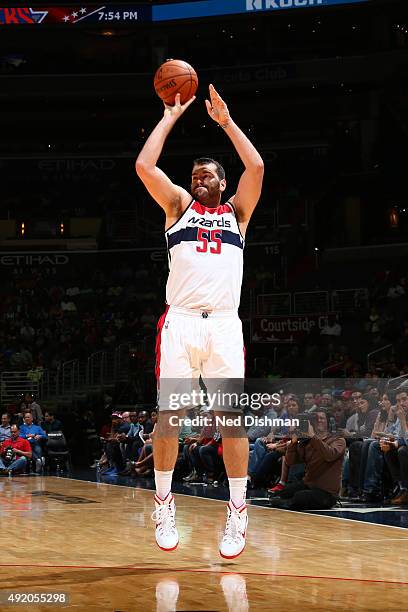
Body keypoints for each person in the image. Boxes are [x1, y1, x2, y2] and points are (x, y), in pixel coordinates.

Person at [136, 84, 264, 557]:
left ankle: (237, 510)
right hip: (183, 323)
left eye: (207, 175)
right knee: (169, 416)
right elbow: (145, 167)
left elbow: (258, 167)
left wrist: (227, 122)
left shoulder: (239, 214)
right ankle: (164, 501)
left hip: (224, 326)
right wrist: (170, 116)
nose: (198, 180)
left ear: (222, 184)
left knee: (232, 419)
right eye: (194, 175)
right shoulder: (177, 208)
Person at [269, 411, 346, 511]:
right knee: (280, 494)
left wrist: (313, 436)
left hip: (327, 492)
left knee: (300, 497)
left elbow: (329, 455)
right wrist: (293, 441)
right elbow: (290, 461)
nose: (318, 421)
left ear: (329, 422)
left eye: (322, 418)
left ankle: (289, 503)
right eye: (316, 419)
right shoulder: (307, 441)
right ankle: (287, 503)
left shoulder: (338, 440)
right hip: (308, 485)